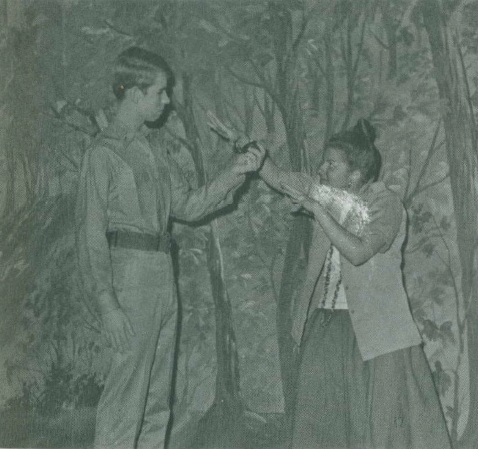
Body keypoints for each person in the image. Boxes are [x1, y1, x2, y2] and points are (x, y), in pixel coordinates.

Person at [75, 46, 265, 449]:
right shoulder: (102, 153)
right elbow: (90, 235)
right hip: (129, 279)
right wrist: (107, 304)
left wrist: (235, 172)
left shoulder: (154, 150)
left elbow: (190, 207)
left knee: (157, 401)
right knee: (126, 398)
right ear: (134, 93)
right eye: (159, 92)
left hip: (163, 275)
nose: (166, 100)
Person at [254, 119, 452, 449]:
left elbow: (359, 252)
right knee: (323, 427)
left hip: (375, 333)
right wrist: (253, 154)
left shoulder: (385, 204)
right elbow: (281, 179)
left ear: (355, 174)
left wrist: (317, 210)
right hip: (326, 327)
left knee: (376, 428)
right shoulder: (329, 196)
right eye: (323, 163)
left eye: (331, 164)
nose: (321, 169)